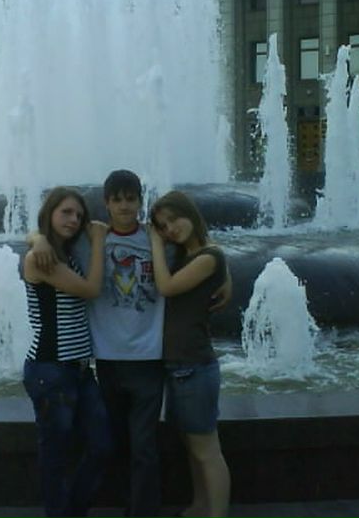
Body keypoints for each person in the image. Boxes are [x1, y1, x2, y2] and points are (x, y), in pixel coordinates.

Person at [31, 170, 231, 518]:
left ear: (140, 200)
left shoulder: (159, 240)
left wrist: (225, 275)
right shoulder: (91, 239)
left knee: (144, 447)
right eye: (117, 199)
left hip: (148, 359)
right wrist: (38, 240)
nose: (124, 206)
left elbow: (201, 252)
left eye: (131, 199)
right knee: (116, 444)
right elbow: (50, 235)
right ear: (106, 203)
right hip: (106, 360)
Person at [21, 186, 112, 518]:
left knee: (102, 445)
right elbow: (90, 289)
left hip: (79, 370)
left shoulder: (63, 253)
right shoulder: (41, 258)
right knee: (56, 456)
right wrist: (98, 241)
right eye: (66, 212)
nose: (73, 220)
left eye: (79, 215)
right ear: (50, 213)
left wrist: (37, 238)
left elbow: (32, 235)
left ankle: (72, 511)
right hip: (50, 370)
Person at [148, 190, 231, 518]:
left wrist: (156, 244)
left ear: (190, 213)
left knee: (207, 449)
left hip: (195, 366)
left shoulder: (207, 257)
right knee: (192, 446)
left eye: (174, 219)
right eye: (162, 226)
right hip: (178, 366)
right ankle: (199, 506)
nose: (170, 229)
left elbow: (167, 287)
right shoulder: (191, 255)